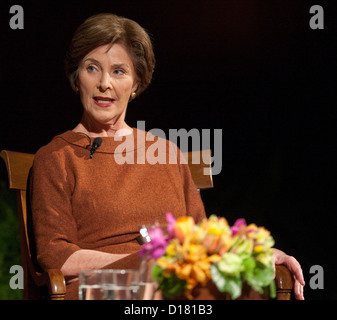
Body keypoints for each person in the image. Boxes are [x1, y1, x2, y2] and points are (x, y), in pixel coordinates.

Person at [30, 13, 305, 300]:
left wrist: (253, 252)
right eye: (92, 68)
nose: (104, 83)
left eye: (119, 71)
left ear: (136, 83)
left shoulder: (166, 153)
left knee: (248, 285)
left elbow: (200, 239)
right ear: (77, 77)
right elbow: (57, 257)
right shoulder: (56, 157)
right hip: (103, 287)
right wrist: (143, 264)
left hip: (174, 280)